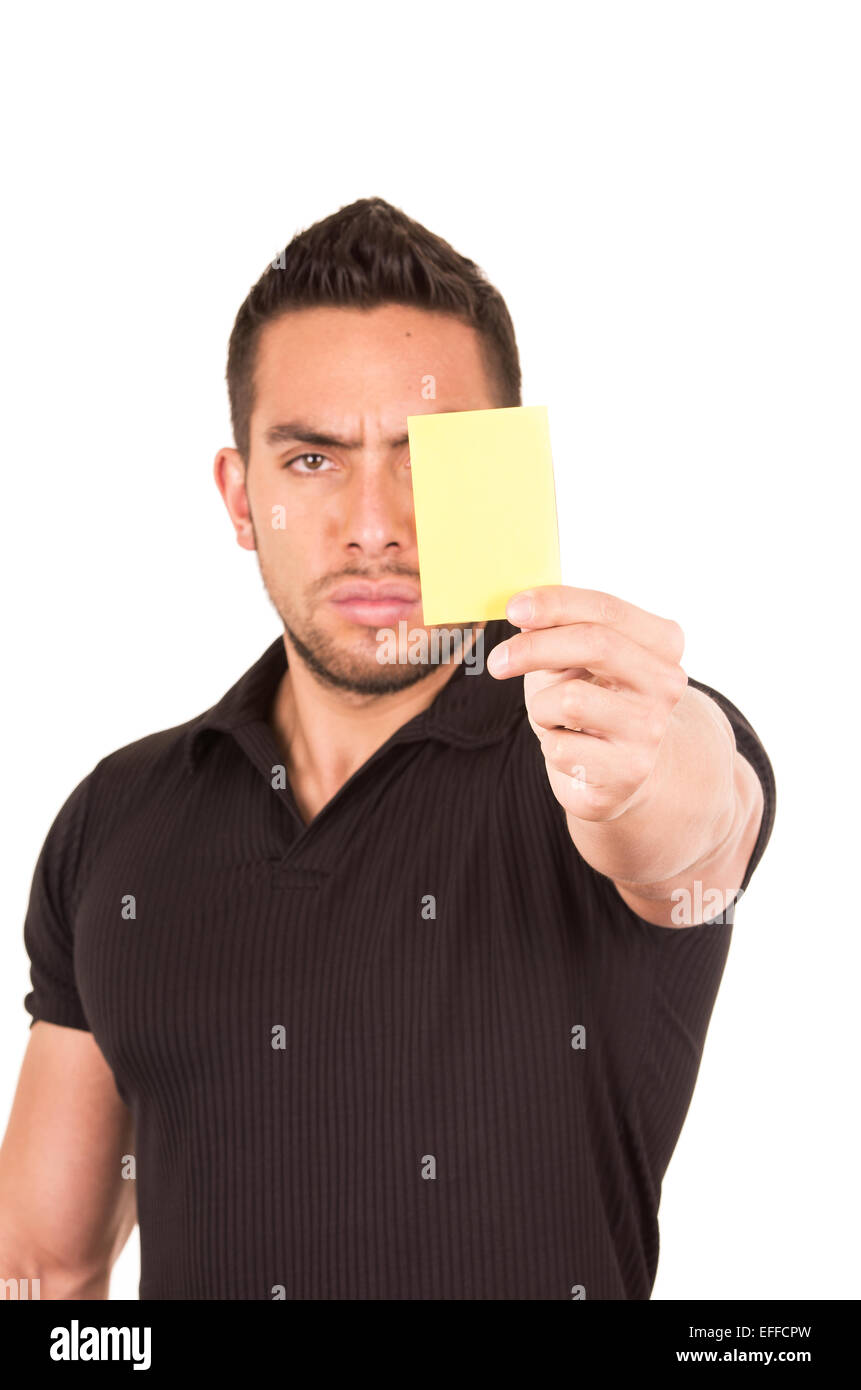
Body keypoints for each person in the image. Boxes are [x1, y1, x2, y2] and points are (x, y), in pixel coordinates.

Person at [0, 197, 775, 1300]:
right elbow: (40, 1265)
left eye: (423, 459)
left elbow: (698, 832)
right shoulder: (116, 815)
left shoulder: (609, 739)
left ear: (507, 477)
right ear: (241, 496)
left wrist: (665, 777)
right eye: (314, 460)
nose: (374, 521)